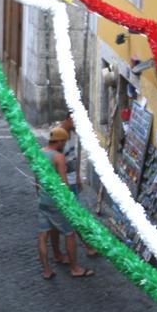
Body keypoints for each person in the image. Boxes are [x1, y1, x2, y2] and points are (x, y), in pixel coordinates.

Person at [37, 127, 93, 280]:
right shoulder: (58, 157)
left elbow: (37, 180)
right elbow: (64, 182)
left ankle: (47, 271)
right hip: (57, 202)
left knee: (43, 236)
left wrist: (40, 195)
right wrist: (69, 201)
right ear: (60, 141)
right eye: (64, 141)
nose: (64, 144)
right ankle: (74, 268)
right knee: (69, 234)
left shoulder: (39, 153)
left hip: (43, 200)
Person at [49, 112, 96, 263]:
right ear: (68, 118)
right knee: (74, 216)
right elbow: (55, 162)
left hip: (72, 181)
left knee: (68, 217)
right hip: (65, 185)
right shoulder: (59, 136)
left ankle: (60, 252)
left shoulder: (72, 134)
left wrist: (77, 178)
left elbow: (73, 158)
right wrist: (65, 187)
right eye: (75, 121)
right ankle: (87, 246)